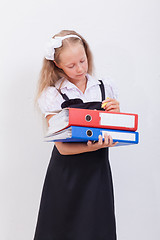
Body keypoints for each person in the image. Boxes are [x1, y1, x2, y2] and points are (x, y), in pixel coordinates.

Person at [33, 30, 120, 240]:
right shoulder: (52, 94)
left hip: (97, 171)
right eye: (71, 65)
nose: (80, 68)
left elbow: (116, 137)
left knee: (97, 229)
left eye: (83, 61)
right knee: (61, 228)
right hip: (66, 174)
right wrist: (93, 146)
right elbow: (62, 147)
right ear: (57, 65)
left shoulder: (103, 88)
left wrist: (116, 117)